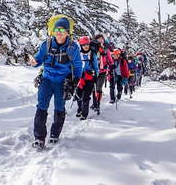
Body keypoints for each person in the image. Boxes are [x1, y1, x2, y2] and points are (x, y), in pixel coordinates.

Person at [30, 17, 82, 149]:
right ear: (53, 31)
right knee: (41, 106)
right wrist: (35, 62)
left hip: (62, 81)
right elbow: (39, 59)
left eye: (62, 30)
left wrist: (75, 81)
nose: (59, 32)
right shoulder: (46, 44)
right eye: (57, 29)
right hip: (46, 79)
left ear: (67, 32)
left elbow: (77, 65)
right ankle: (39, 138)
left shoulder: (72, 47)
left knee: (59, 107)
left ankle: (55, 134)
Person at [76, 36, 99, 120]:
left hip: (89, 78)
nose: (86, 46)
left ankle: (84, 114)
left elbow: (96, 66)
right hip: (80, 78)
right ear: (81, 45)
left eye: (87, 44)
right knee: (78, 95)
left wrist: (96, 75)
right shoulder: (78, 53)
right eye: (83, 44)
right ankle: (79, 109)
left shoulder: (92, 54)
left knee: (86, 96)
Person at [91, 34, 113, 114]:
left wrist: (112, 65)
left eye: (101, 39)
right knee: (93, 88)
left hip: (103, 71)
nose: (100, 40)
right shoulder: (93, 48)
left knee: (99, 88)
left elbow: (110, 59)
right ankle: (94, 103)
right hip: (94, 71)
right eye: (98, 39)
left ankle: (98, 105)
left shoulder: (106, 49)